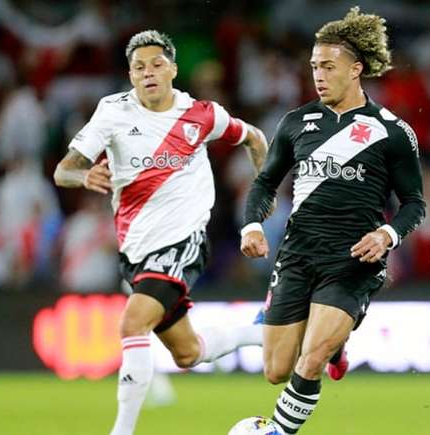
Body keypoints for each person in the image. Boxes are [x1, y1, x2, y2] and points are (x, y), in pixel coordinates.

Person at [53, 30, 268, 435]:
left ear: (171, 68)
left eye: (155, 65)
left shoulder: (201, 114)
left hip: (182, 240)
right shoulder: (112, 112)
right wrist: (85, 176)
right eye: (139, 67)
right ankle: (259, 331)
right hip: (135, 249)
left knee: (132, 324)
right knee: (188, 353)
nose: (148, 73)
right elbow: (63, 170)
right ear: (130, 75)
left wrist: (264, 190)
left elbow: (253, 138)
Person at [240, 8, 426, 434]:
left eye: (328, 66)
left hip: (352, 259)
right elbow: (265, 183)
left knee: (311, 360)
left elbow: (415, 202)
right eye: (313, 67)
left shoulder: (392, 132)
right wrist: (252, 224)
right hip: (298, 253)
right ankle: (336, 345)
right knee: (275, 370)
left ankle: (277, 432)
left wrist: (387, 234)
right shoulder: (295, 123)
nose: (318, 75)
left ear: (356, 69)